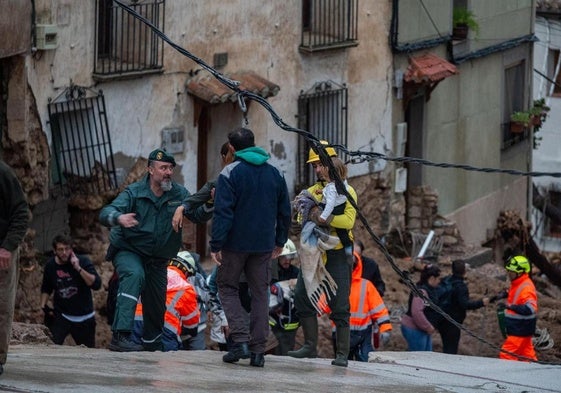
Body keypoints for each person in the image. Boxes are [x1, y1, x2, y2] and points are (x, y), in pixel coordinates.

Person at [99, 148, 213, 352]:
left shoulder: (178, 193)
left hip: (159, 258)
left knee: (156, 300)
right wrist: (119, 218)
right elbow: (107, 211)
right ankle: (121, 335)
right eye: (163, 168)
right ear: (151, 170)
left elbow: (196, 215)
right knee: (134, 275)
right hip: (130, 250)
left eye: (170, 168)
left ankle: (152, 342)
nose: (168, 172)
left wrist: (210, 203)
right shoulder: (134, 193)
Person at [210, 127, 291, 368]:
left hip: (235, 244)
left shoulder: (229, 172)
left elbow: (223, 213)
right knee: (260, 294)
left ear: (232, 148)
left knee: (226, 287)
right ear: (254, 143)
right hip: (264, 245)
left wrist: (216, 244)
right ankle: (258, 352)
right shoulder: (275, 172)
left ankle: (241, 341)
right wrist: (280, 241)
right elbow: (285, 211)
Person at [288, 141, 357, 367]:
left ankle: (342, 354)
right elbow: (299, 216)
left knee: (339, 304)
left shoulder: (347, 191)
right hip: (314, 254)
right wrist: (305, 214)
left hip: (337, 254)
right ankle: (309, 347)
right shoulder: (312, 191)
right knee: (301, 296)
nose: (316, 170)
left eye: (319, 165)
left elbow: (348, 221)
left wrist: (321, 217)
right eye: (314, 166)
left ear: (330, 165)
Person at [40, 235, 102, 348]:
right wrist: (43, 305)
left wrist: (78, 268)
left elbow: (96, 284)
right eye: (60, 249)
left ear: (71, 249)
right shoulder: (50, 266)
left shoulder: (83, 261)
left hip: (84, 317)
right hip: (62, 315)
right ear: (54, 251)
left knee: (87, 353)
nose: (64, 252)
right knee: (52, 347)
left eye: (67, 249)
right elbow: (46, 287)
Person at [131, 251, 200, 351]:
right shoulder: (186, 289)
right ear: (186, 271)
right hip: (165, 330)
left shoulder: (151, 276)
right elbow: (192, 325)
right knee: (165, 363)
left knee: (133, 361)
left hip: (135, 323)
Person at [332, 250, 392, 362]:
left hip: (362, 334)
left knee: (366, 364)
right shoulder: (335, 285)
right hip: (342, 333)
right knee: (342, 366)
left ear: (355, 266)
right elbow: (322, 303)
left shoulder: (366, 286)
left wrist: (385, 328)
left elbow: (378, 308)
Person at [0, 160, 30, 376]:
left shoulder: (4, 173)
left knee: (2, 305)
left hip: (3, 249)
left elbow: (21, 213)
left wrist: (8, 247)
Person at [438, 260, 489, 354]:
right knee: (451, 350)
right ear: (464, 271)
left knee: (446, 346)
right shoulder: (461, 287)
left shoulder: (446, 280)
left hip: (442, 319)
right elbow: (465, 304)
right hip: (453, 322)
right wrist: (481, 303)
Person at [498, 253, 538, 361]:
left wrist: (509, 306)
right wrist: (504, 294)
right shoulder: (518, 283)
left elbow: (530, 308)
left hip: (520, 329)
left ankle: (508, 377)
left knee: (506, 355)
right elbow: (516, 294)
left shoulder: (526, 287)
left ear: (520, 272)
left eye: (511, 271)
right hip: (522, 328)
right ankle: (536, 376)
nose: (509, 273)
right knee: (527, 357)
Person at [317, 157, 354, 265]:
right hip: (340, 206)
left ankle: (347, 253)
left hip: (334, 209)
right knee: (343, 234)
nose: (323, 177)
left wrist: (323, 216)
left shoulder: (332, 188)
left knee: (340, 231)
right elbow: (328, 188)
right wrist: (322, 191)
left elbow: (330, 204)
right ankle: (348, 250)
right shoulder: (342, 183)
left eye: (325, 176)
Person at [269, 239, 300, 356]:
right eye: (284, 257)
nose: (287, 260)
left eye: (289, 257)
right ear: (277, 257)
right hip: (273, 322)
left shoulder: (296, 273)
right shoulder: (271, 273)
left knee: (286, 352)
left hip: (291, 323)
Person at [400, 264, 440, 351]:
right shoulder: (421, 291)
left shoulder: (431, 290)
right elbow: (417, 312)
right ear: (432, 278)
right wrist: (428, 326)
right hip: (415, 329)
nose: (439, 281)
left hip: (422, 330)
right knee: (418, 357)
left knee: (427, 356)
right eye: (438, 279)